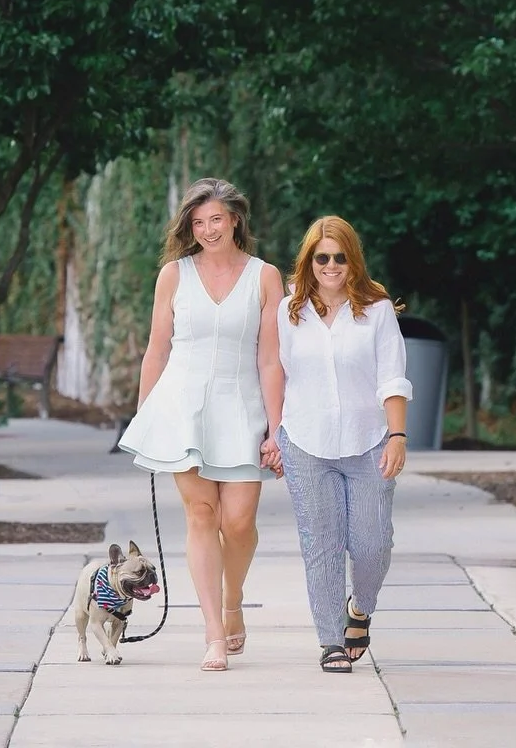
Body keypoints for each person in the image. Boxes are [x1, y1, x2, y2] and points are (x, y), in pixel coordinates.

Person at [116, 178, 285, 672]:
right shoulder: (173, 275)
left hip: (243, 408)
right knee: (201, 515)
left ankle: (233, 600)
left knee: (239, 522)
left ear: (235, 220)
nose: (208, 230)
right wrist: (146, 416)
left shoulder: (265, 276)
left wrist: (277, 429)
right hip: (182, 410)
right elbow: (157, 350)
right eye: (198, 222)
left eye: (216, 219)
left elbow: (271, 359)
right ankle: (213, 633)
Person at [275, 215, 412, 673]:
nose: (330, 266)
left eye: (339, 257)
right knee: (321, 544)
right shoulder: (289, 310)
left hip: (369, 440)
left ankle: (361, 608)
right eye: (321, 258)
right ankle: (331, 639)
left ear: (353, 260)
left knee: (373, 544)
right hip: (305, 442)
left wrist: (397, 435)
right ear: (309, 261)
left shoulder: (377, 310)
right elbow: (277, 373)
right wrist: (273, 432)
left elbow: (393, 376)